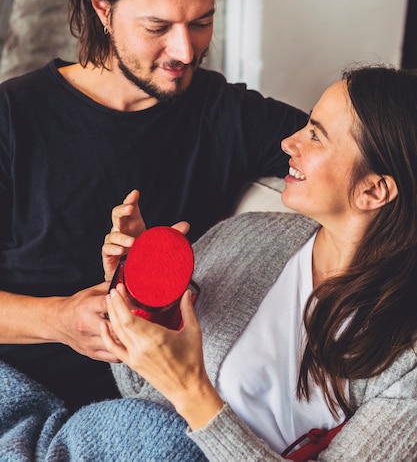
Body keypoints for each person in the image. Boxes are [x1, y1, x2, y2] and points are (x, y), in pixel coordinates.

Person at [0, 0, 307, 412]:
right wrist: (58, 319)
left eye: (202, 21)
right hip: (22, 391)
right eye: (158, 28)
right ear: (103, 9)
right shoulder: (14, 117)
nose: (185, 51)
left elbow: (354, 157)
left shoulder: (228, 114)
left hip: (158, 403)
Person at [98, 65, 417, 461]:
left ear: (373, 190)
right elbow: (138, 396)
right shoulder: (245, 236)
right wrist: (136, 291)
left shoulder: (405, 363)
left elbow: (178, 394)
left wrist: (191, 391)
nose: (288, 142)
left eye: (315, 135)